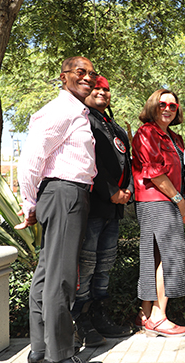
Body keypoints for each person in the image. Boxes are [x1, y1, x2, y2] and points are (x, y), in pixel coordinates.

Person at [16, 56, 104, 363]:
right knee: (61, 277)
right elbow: (31, 159)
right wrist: (29, 202)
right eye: (81, 72)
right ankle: (59, 357)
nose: (88, 78)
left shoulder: (76, 111)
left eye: (92, 73)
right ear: (64, 76)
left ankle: (40, 348)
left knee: (47, 272)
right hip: (65, 194)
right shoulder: (61, 110)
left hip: (64, 194)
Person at [72, 75, 133, 347]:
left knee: (105, 265)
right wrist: (111, 191)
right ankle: (81, 321)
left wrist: (127, 190)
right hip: (94, 205)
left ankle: (100, 315)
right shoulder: (83, 120)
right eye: (97, 88)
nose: (102, 93)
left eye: (106, 89)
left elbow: (127, 162)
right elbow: (89, 162)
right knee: (86, 265)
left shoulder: (114, 126)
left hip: (114, 210)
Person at [132, 89, 185, 337]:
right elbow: (154, 172)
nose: (167, 108)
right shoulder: (146, 133)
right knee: (170, 256)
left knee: (156, 258)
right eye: (162, 104)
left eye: (173, 105)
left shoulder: (175, 138)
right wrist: (180, 201)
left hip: (166, 200)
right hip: (157, 200)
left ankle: (145, 314)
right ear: (153, 106)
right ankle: (159, 316)